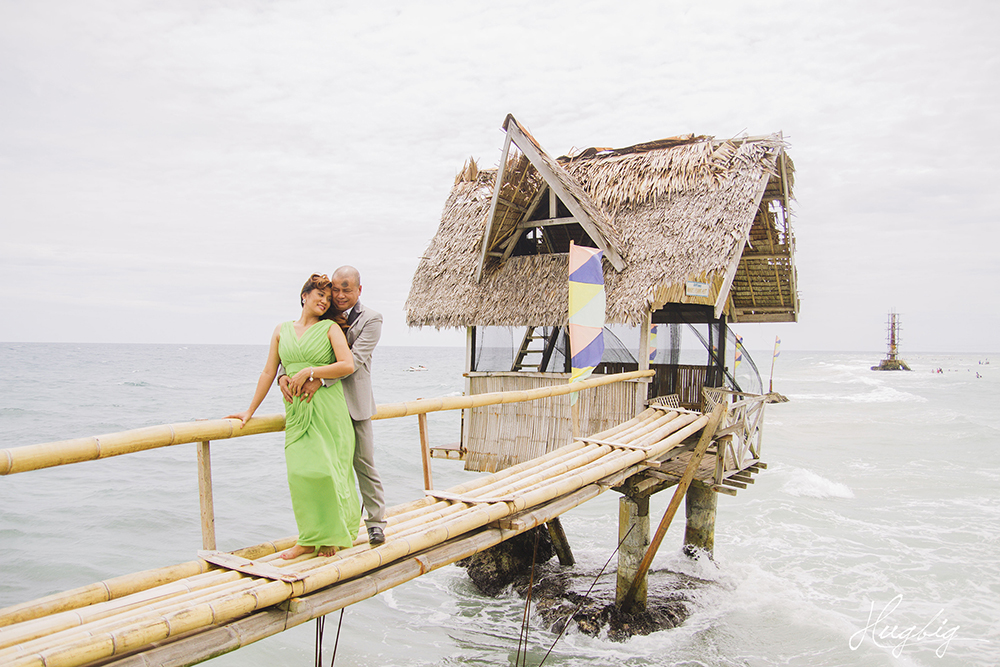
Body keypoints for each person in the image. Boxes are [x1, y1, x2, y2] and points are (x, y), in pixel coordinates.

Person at [227, 274, 361, 559]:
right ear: (304, 295)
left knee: (328, 472)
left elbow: (347, 365)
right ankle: (309, 538)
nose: (325, 301)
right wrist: (250, 411)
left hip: (328, 408)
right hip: (297, 410)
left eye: (328, 298)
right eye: (320, 295)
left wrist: (311, 372)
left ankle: (331, 536)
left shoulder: (330, 329)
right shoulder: (281, 330)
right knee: (300, 474)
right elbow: (268, 371)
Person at [279, 266, 387, 546]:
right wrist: (282, 375)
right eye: (335, 289)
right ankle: (332, 528)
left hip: (354, 402)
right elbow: (299, 346)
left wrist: (318, 378)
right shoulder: (324, 313)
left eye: (345, 290)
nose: (338, 295)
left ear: (359, 290)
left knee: (363, 463)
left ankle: (375, 523)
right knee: (326, 467)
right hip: (323, 406)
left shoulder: (372, 319)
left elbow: (354, 360)